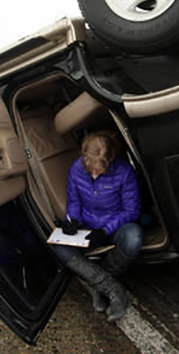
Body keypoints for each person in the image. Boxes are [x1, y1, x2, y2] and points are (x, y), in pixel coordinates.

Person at [53, 131, 142, 322]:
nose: (94, 174)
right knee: (56, 244)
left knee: (134, 237)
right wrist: (72, 220)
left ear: (111, 160)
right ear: (84, 157)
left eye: (100, 170)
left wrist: (105, 230)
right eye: (90, 168)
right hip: (87, 226)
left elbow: (131, 211)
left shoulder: (124, 172)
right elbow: (74, 202)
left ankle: (97, 282)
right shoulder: (76, 169)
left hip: (114, 226)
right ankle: (111, 288)